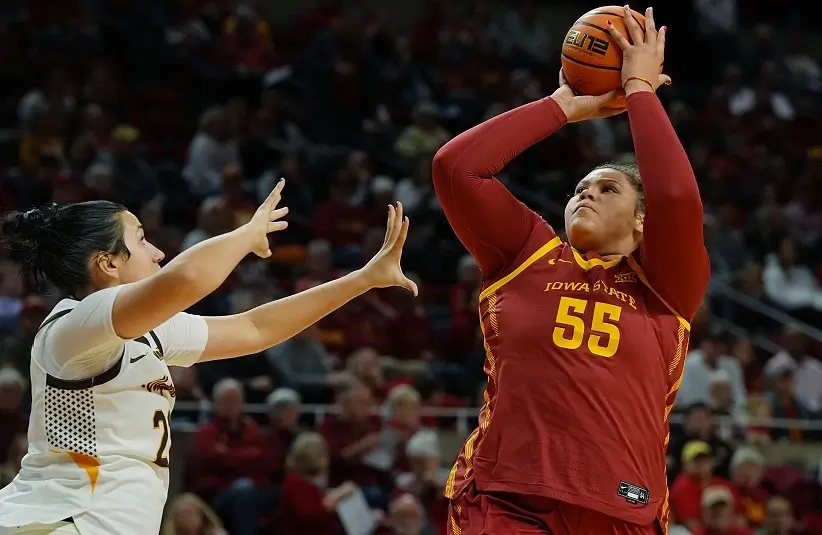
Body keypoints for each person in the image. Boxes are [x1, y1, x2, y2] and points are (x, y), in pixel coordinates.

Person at [0, 178, 417, 535]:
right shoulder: (73, 326)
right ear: (108, 262)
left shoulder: (149, 331)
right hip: (58, 521)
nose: (158, 253)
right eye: (142, 240)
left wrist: (362, 279)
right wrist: (245, 235)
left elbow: (256, 329)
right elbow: (186, 278)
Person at [434, 7, 709, 535]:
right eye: (581, 187)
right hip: (507, 499)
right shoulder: (527, 254)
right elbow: (456, 168)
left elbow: (675, 195)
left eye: (609, 189)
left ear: (640, 223)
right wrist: (561, 106)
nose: (587, 193)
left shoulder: (666, 286)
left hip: (623, 508)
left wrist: (641, 91)